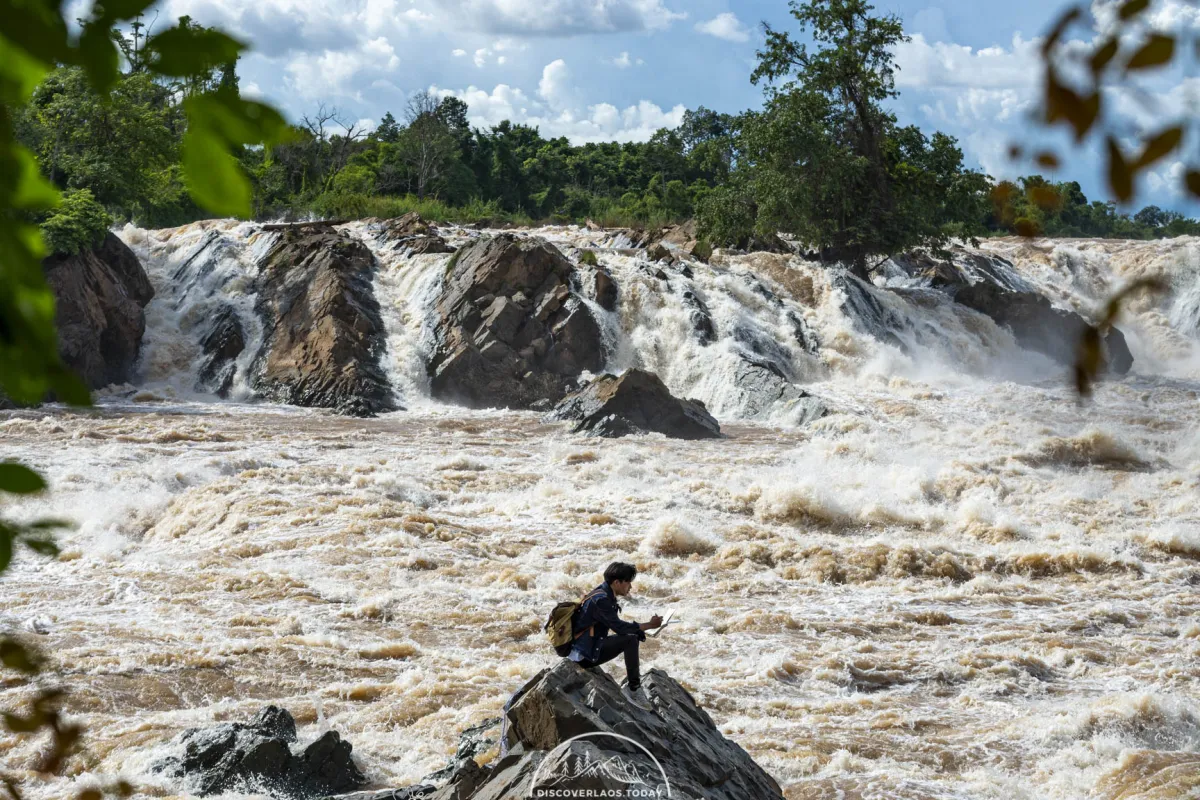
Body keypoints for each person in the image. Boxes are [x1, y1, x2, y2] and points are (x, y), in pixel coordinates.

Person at [569, 562, 662, 711]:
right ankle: (633, 689)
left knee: (631, 636)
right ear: (617, 582)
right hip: (584, 655)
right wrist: (649, 625)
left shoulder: (603, 593)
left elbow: (618, 627)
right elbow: (618, 627)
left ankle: (633, 686)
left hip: (584, 649)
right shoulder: (601, 600)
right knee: (630, 640)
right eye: (628, 582)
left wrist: (639, 630)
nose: (630, 587)